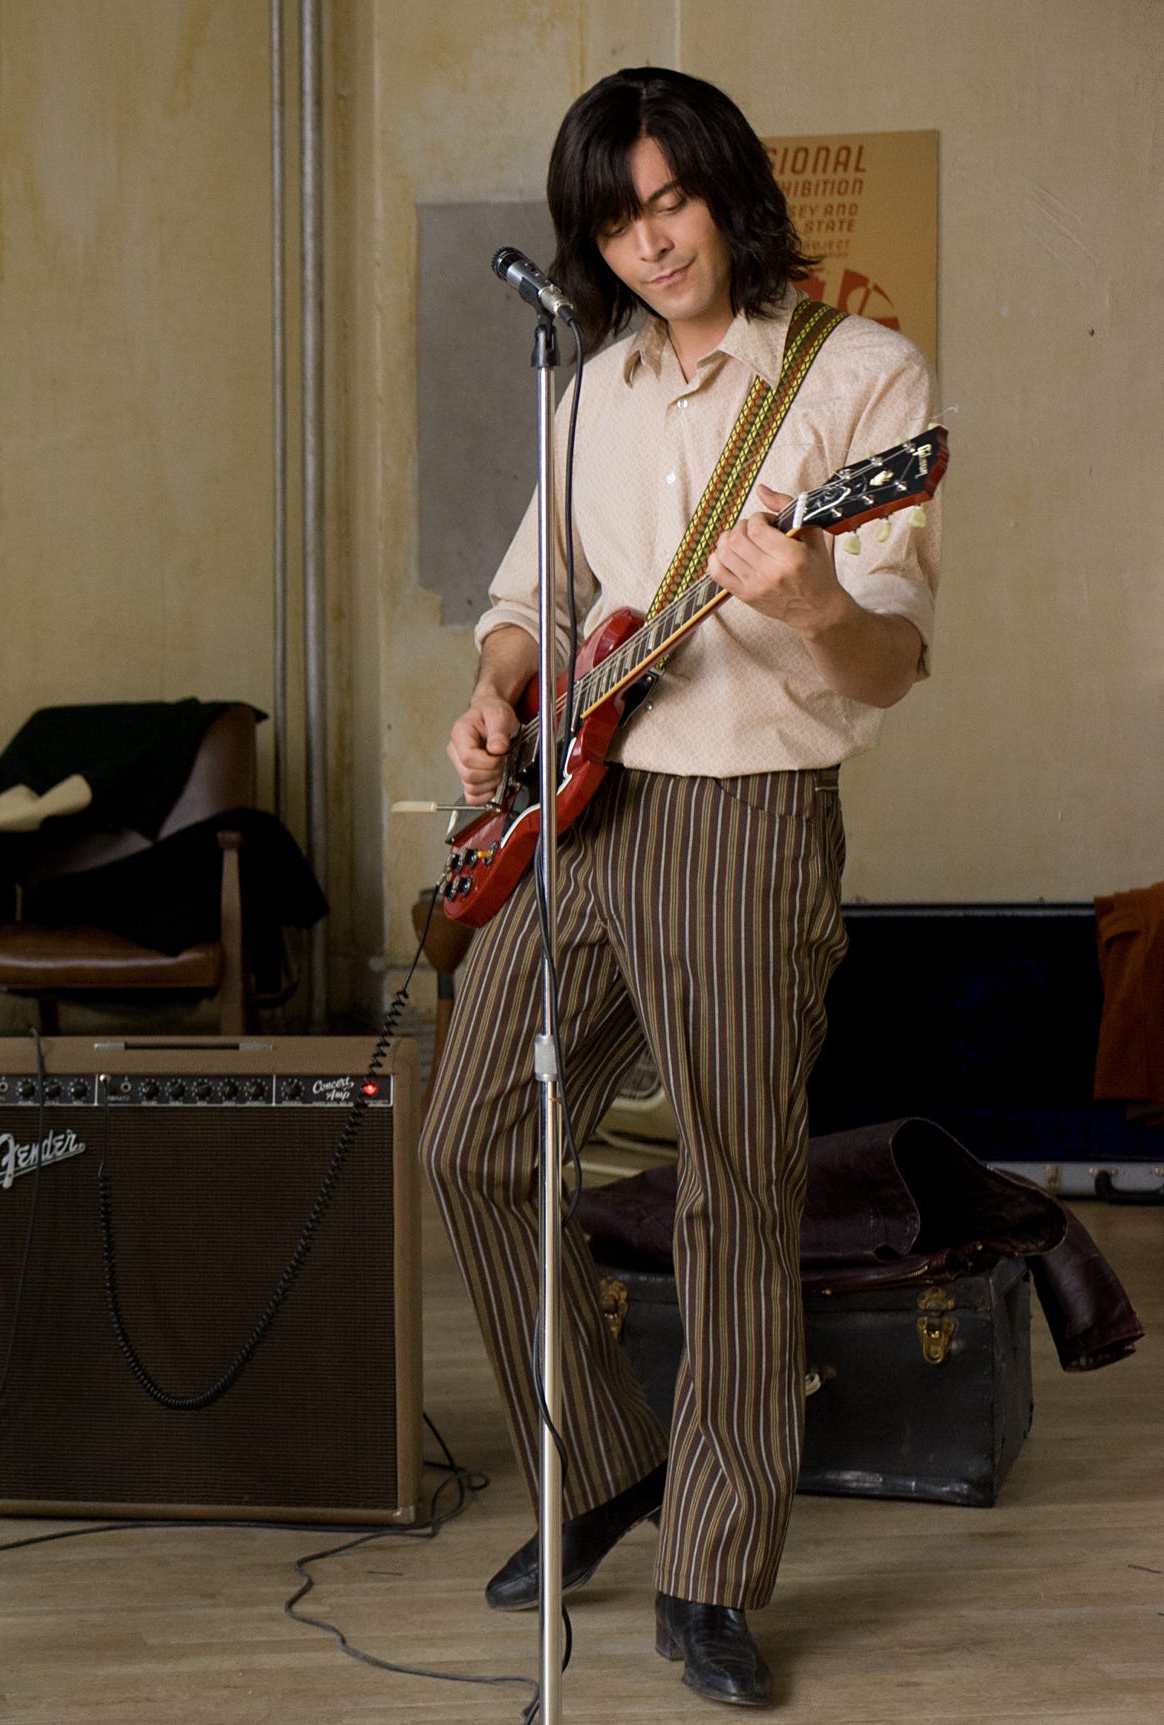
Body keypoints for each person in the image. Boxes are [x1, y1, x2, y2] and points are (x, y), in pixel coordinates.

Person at [420, 67, 940, 1708]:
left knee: (731, 1195)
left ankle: (711, 1570)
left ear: (726, 193)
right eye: (614, 222)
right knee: (470, 1143)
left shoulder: (858, 378)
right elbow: (535, 595)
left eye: (670, 202)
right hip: (587, 815)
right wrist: (497, 689)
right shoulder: (590, 389)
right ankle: (600, 1467)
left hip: (747, 818)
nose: (650, 244)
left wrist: (810, 597)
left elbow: (892, 656)